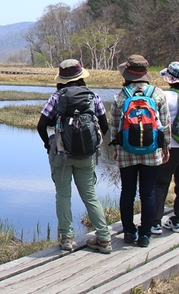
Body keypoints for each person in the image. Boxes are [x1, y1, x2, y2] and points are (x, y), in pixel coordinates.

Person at [36, 59, 112, 254]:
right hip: (86, 156)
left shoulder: (57, 97)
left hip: (61, 155)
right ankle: (104, 238)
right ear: (81, 77)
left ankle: (67, 239)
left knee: (63, 195)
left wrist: (48, 144)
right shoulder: (93, 97)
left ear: (62, 78)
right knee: (90, 196)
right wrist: (94, 144)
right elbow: (104, 126)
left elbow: (41, 125)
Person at [110, 55, 171, 248]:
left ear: (127, 74)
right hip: (152, 151)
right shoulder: (158, 94)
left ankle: (129, 232)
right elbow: (165, 125)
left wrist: (116, 147)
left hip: (126, 150)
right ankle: (145, 234)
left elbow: (114, 126)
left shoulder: (121, 95)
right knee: (148, 193)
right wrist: (166, 147)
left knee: (127, 191)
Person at [151, 62, 179, 234]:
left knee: (161, 182)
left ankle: (155, 222)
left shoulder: (164, 95)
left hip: (171, 146)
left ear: (169, 79)